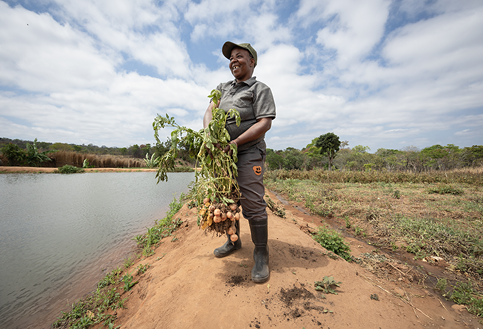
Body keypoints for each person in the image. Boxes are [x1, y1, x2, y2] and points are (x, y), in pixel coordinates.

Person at [203, 42, 276, 283]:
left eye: (239, 56)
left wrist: (235, 143)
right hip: (224, 154)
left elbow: (264, 123)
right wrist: (209, 136)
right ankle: (233, 241)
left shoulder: (259, 89)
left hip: (248, 152)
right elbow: (209, 112)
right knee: (229, 197)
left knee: (252, 201)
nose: (233, 61)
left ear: (252, 62)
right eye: (231, 58)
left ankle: (261, 252)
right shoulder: (222, 88)